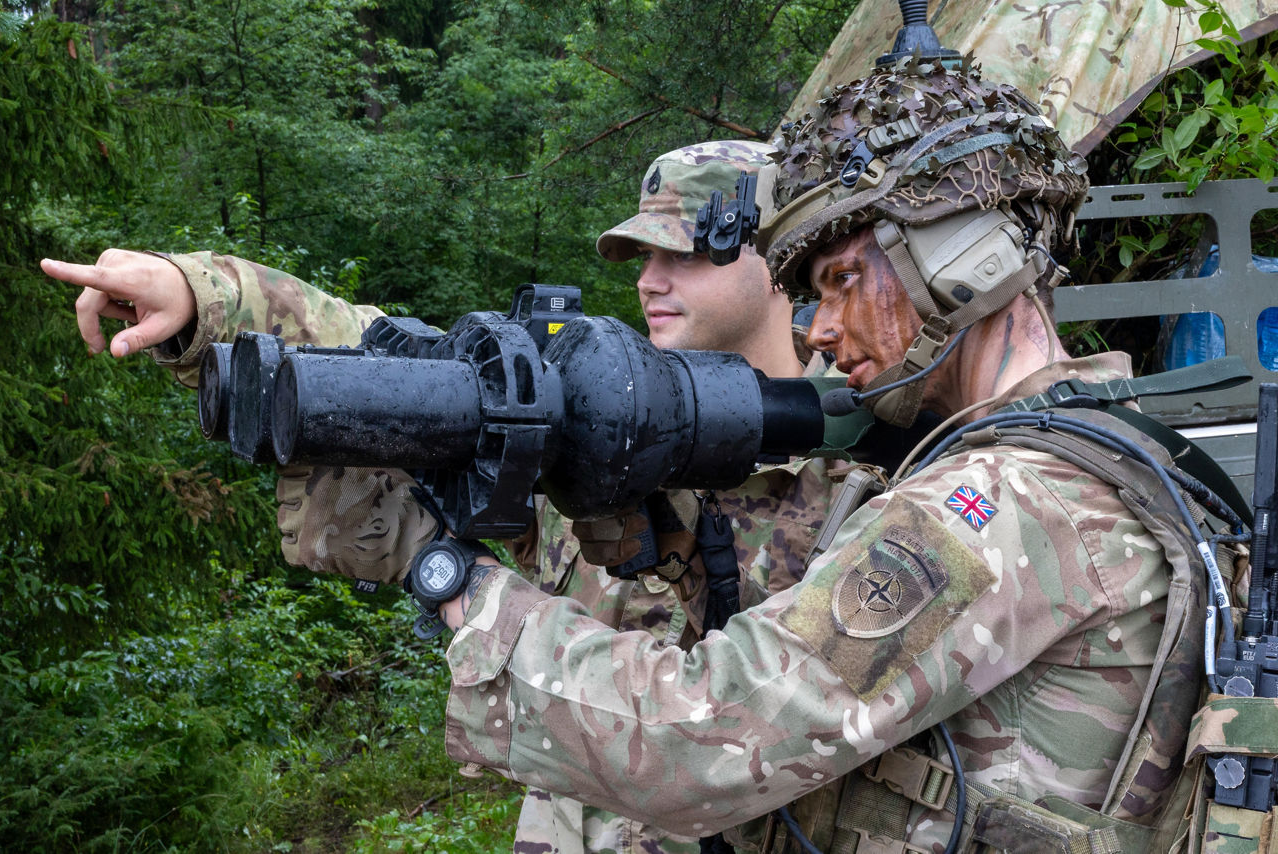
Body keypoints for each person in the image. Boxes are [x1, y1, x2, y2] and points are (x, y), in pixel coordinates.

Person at [423, 61, 1227, 852]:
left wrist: (464, 591)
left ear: (960, 260)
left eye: (843, 280)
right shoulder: (1123, 449)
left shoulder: (997, 506)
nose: (819, 327)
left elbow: (703, 740)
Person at [43, 141, 850, 854]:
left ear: (782, 258)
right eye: (640, 258)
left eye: (685, 254)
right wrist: (201, 298)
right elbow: (388, 357)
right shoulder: (591, 418)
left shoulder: (871, 484)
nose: (650, 282)